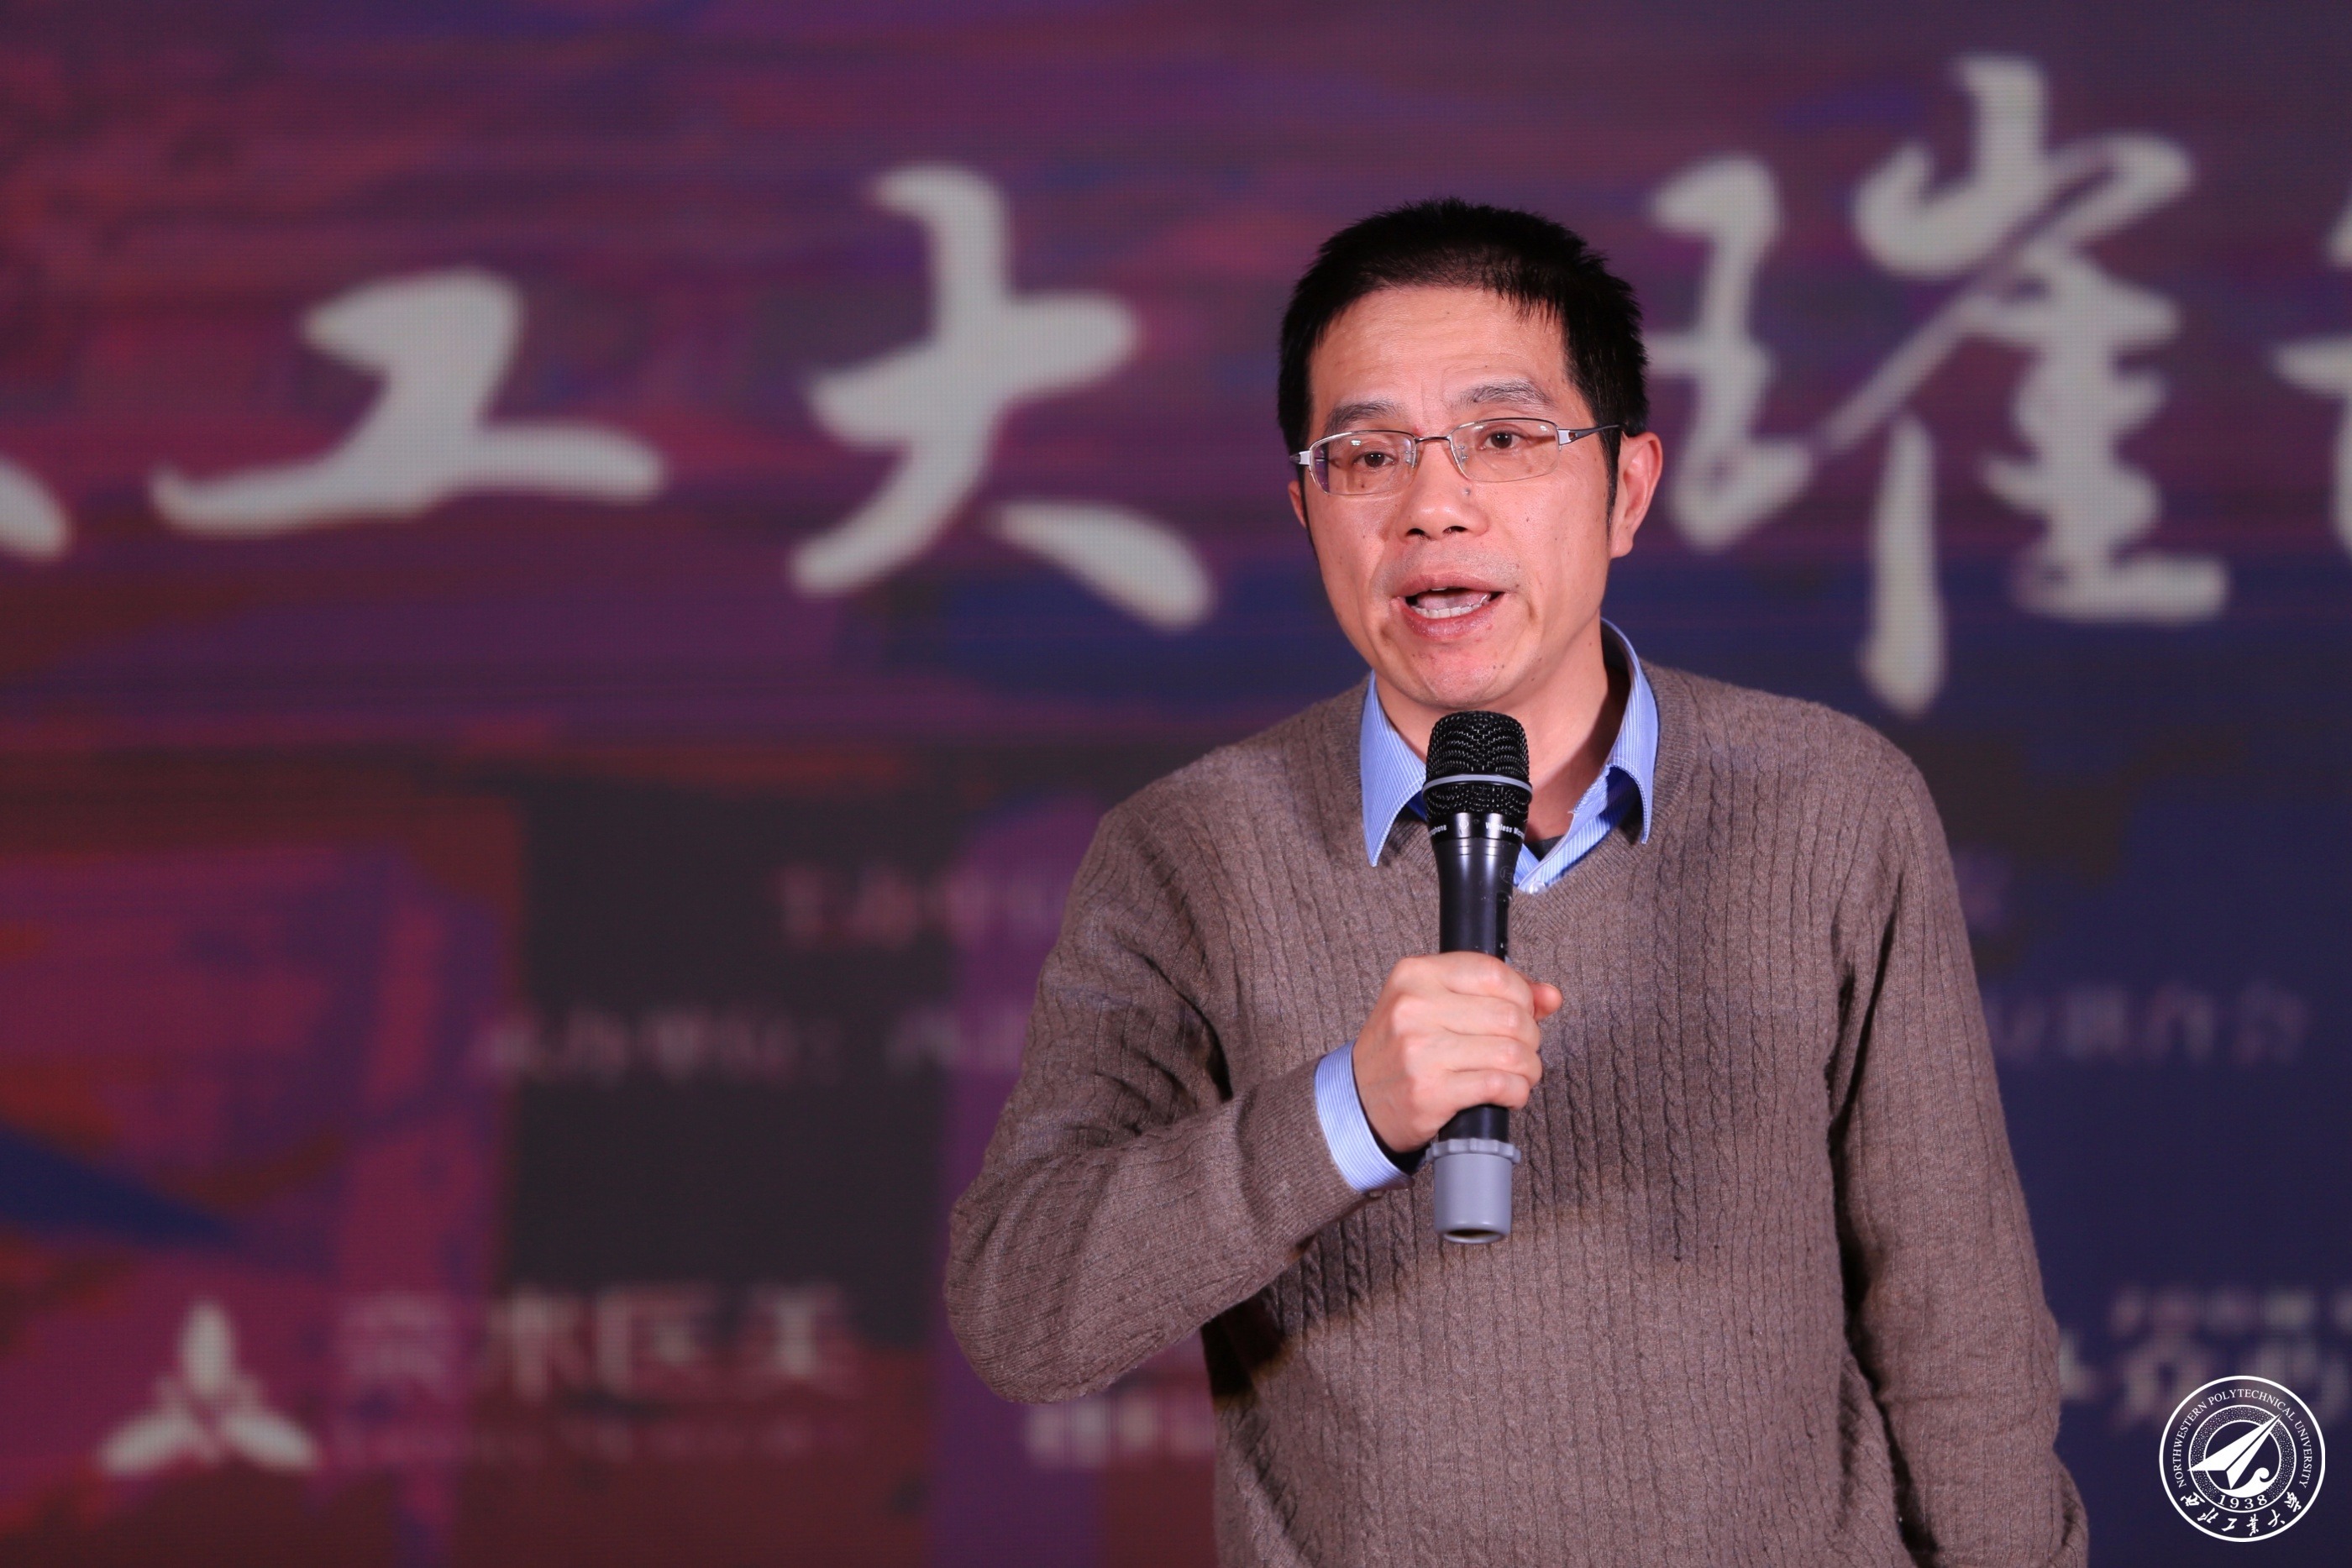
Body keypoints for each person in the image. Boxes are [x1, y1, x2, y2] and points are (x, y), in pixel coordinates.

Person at [944, 198, 2087, 1566]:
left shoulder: (1832, 803)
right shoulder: (1188, 850)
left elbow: (1957, 1324)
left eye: (1505, 438)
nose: (1434, 507)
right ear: (1306, 508)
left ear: (1628, 488)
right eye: (1368, 455)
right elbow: (1021, 1310)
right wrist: (1347, 1115)